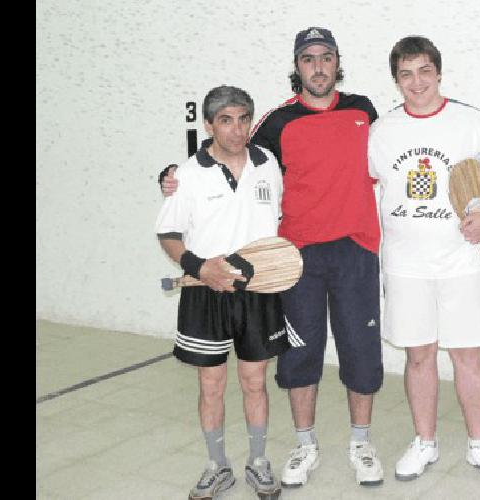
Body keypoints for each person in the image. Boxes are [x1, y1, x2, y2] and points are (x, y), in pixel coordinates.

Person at [158, 27, 385, 489]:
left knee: (360, 353)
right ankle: (305, 444)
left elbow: (392, 160)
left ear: (337, 62)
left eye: (326, 57)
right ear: (297, 66)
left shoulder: (365, 110)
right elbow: (228, 153)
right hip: (295, 258)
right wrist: (172, 175)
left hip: (356, 250)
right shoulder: (276, 123)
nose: (318, 66)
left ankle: (362, 443)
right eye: (308, 58)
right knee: (300, 356)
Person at [366, 35, 480, 485]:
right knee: (419, 356)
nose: (417, 83)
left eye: (424, 71)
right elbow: (356, 181)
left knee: (468, 355)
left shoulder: (468, 121)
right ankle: (425, 442)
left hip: (463, 262)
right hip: (404, 264)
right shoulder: (383, 131)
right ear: (396, 81)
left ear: (438, 73)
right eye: (406, 74)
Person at [155, 85, 289, 500]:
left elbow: (276, 221)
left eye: (244, 119)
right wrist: (200, 268)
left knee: (254, 381)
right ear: (209, 124)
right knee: (211, 385)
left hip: (259, 291)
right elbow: (169, 234)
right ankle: (217, 466)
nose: (236, 129)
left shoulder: (269, 165)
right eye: (226, 120)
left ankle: (258, 461)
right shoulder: (187, 175)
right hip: (204, 292)